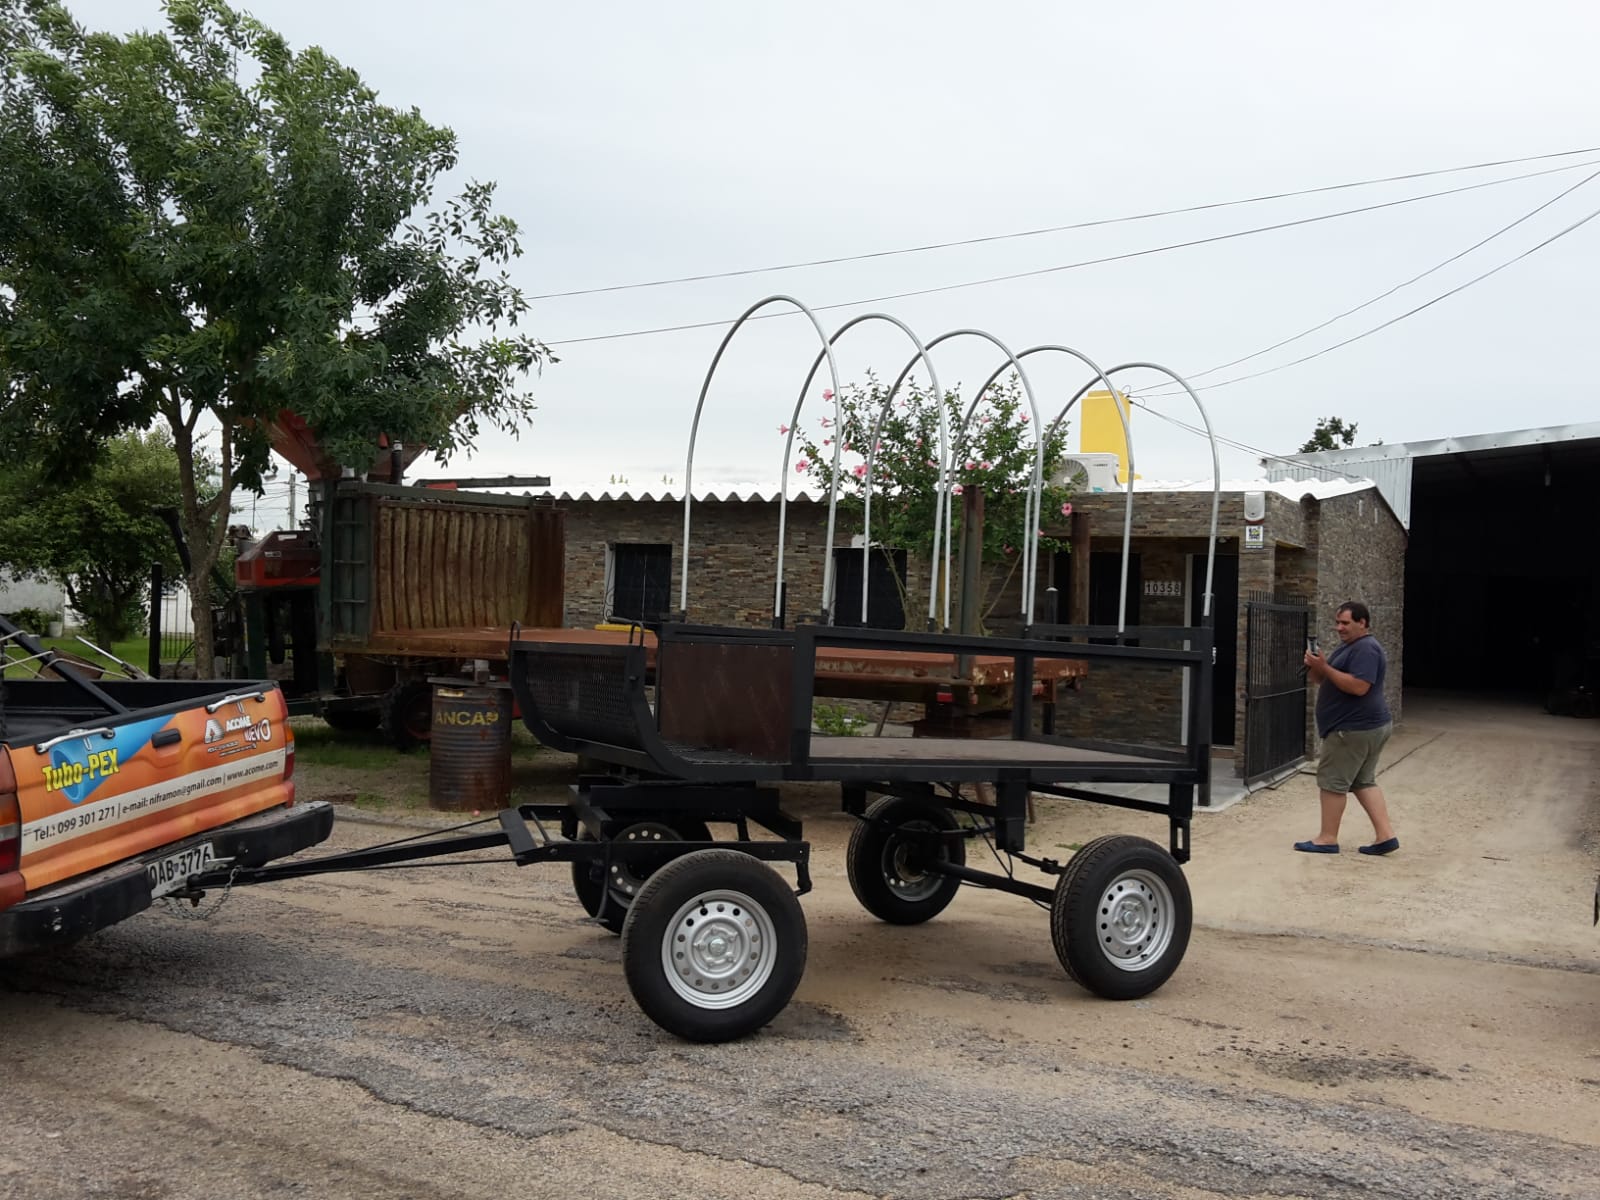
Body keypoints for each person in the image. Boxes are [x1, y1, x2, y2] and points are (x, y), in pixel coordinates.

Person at [1294, 600, 1398, 856]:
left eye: (1345, 623)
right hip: (1367, 727)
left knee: (1332, 783)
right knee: (1363, 781)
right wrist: (1317, 666)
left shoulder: (1366, 649)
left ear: (1362, 623)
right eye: (1337, 622)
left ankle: (1327, 838)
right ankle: (1386, 836)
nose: (1339, 627)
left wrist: (1325, 667)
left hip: (1351, 729)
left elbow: (1359, 686)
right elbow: (1324, 679)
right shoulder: (1351, 647)